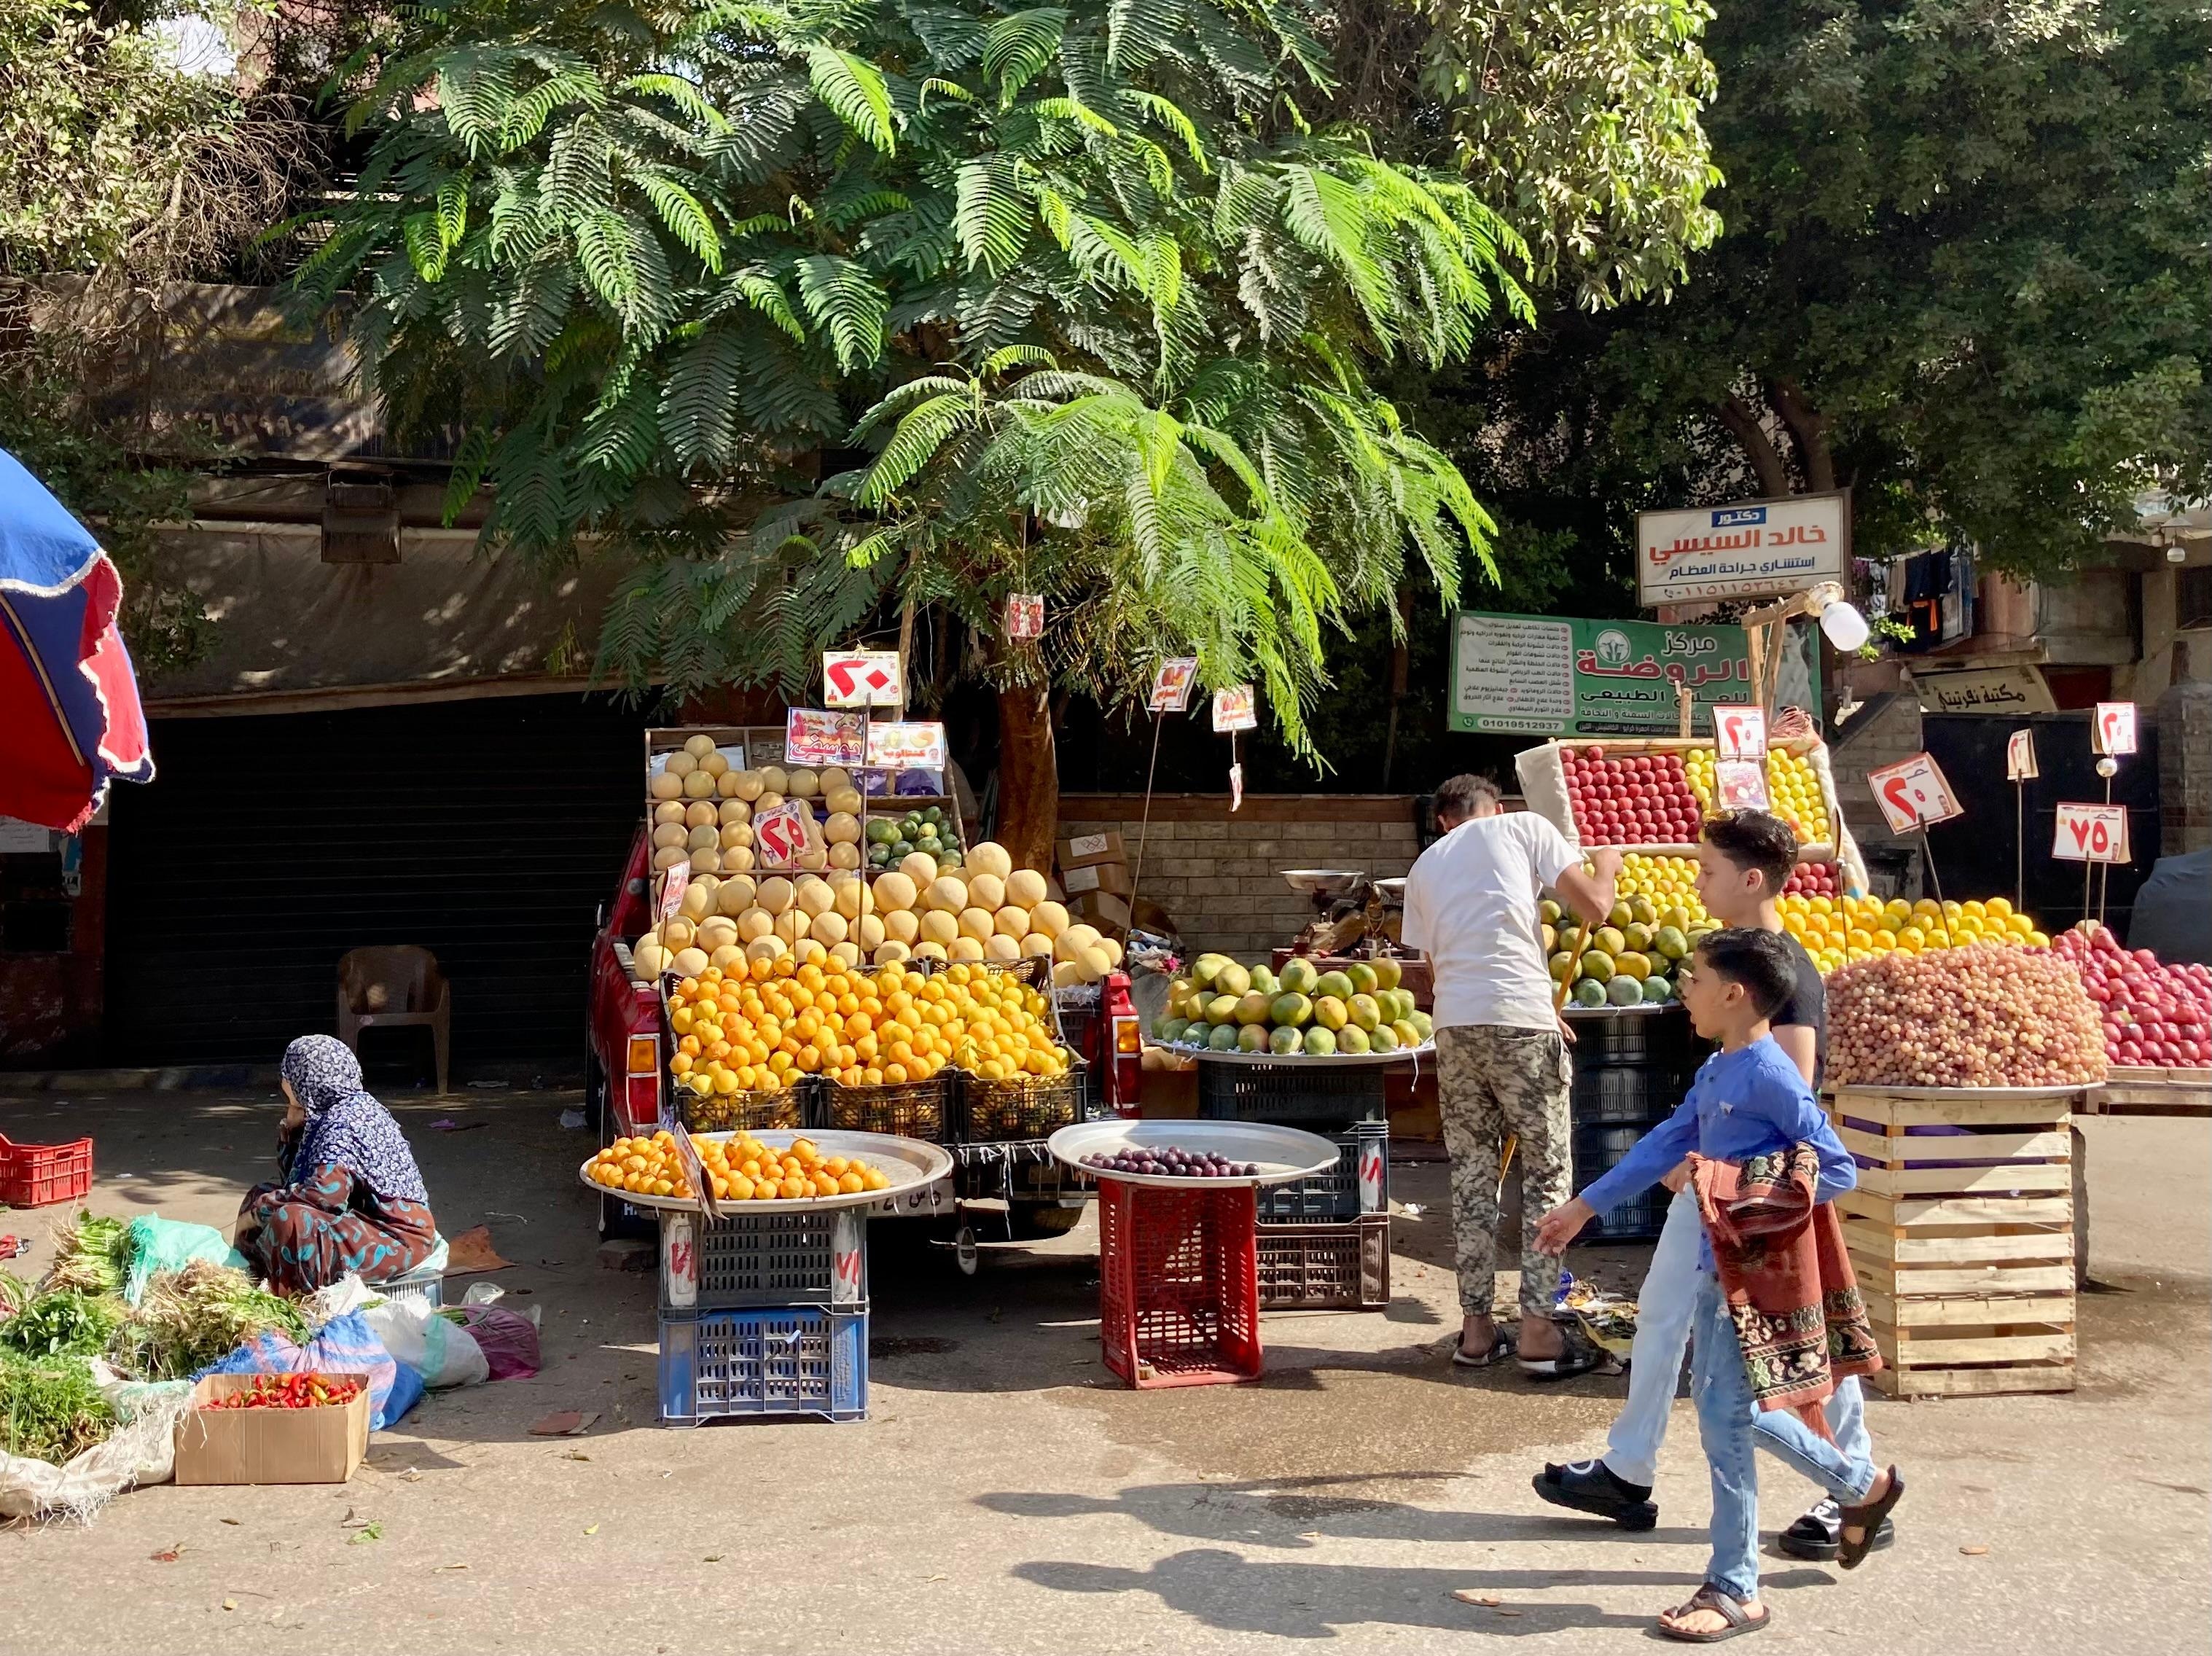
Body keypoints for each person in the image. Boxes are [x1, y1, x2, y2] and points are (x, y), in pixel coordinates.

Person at [1532, 809, 1891, 1561]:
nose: (1696, 881)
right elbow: (1690, 1120)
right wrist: (1589, 1202)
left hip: (1755, 1218)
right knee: (1669, 1326)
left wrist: (1729, 1170)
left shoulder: (1780, 977)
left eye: (1707, 869)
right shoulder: (1728, 985)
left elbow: (1792, 1112)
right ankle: (1630, 1473)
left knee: (1799, 1351)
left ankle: (1851, 1487)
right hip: (1709, 1199)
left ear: (1749, 879)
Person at [1402, 773, 1622, 1377]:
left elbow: (1431, 969)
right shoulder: (1524, 826)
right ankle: (1538, 1331)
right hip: (1519, 1025)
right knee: (1547, 1173)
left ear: (1445, 819)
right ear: (1495, 809)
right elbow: (1595, 907)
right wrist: (1606, 861)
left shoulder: (1424, 867)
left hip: (1455, 1028)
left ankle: (1475, 1334)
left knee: (1472, 1177)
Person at [236, 1034, 438, 1294]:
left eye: (290, 1075)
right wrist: (293, 1129)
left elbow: (324, 1196)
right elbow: (294, 1184)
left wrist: (258, 1212)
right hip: (359, 1219)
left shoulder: (346, 1120)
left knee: (292, 1220)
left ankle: (290, 1303)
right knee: (260, 1194)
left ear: (309, 1078)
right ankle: (246, 1283)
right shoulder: (325, 1115)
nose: (284, 1081)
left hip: (397, 1237)